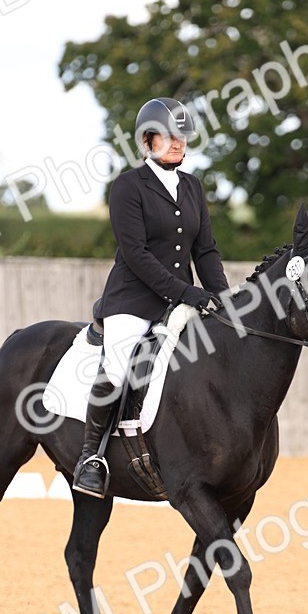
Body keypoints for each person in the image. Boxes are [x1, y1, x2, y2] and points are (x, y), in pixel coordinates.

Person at [72, 97, 230, 498]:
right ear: (147, 141)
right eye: (169, 136)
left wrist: (224, 298)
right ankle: (91, 458)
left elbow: (205, 251)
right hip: (133, 300)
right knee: (118, 365)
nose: (179, 143)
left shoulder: (193, 187)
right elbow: (136, 254)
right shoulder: (128, 187)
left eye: (183, 136)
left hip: (181, 301)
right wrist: (187, 293)